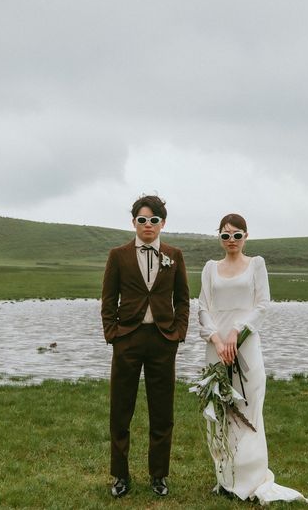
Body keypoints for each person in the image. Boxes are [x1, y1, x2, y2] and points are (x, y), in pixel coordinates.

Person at [198, 213, 308, 504]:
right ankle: (226, 478)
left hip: (245, 346)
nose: (231, 240)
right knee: (220, 410)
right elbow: (203, 308)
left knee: (248, 408)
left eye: (237, 235)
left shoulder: (256, 264)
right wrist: (216, 339)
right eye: (225, 235)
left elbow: (262, 305)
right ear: (219, 237)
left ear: (246, 237)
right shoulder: (210, 268)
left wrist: (237, 332)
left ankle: (250, 479)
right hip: (216, 348)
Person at [101, 194, 190, 498]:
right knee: (120, 409)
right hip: (127, 339)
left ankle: (158, 476)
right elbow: (108, 299)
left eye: (154, 220)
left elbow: (182, 299)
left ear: (162, 223)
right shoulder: (118, 255)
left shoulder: (174, 255)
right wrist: (113, 333)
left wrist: (178, 332)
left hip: (163, 340)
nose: (148, 225)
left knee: (162, 411)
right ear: (134, 223)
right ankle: (120, 475)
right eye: (142, 219)